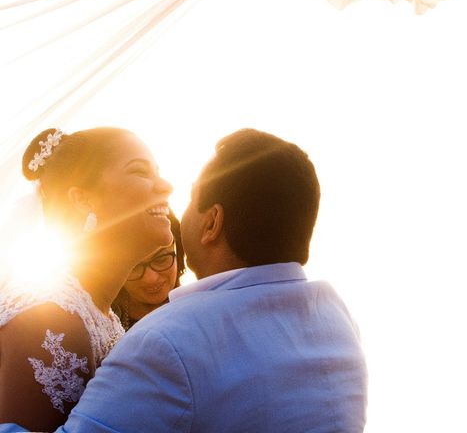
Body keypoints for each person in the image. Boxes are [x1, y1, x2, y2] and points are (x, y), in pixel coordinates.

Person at [29, 128, 366, 432]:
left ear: (211, 224)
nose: (167, 190)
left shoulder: (170, 340)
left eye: (192, 199)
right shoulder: (338, 320)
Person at [0, 127, 173, 431]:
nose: (166, 186)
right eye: (140, 171)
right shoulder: (50, 318)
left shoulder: (102, 314)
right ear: (83, 199)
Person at [112, 210, 186, 330]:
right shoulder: (97, 319)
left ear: (179, 252)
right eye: (134, 266)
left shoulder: (200, 313)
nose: (150, 279)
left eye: (161, 260)